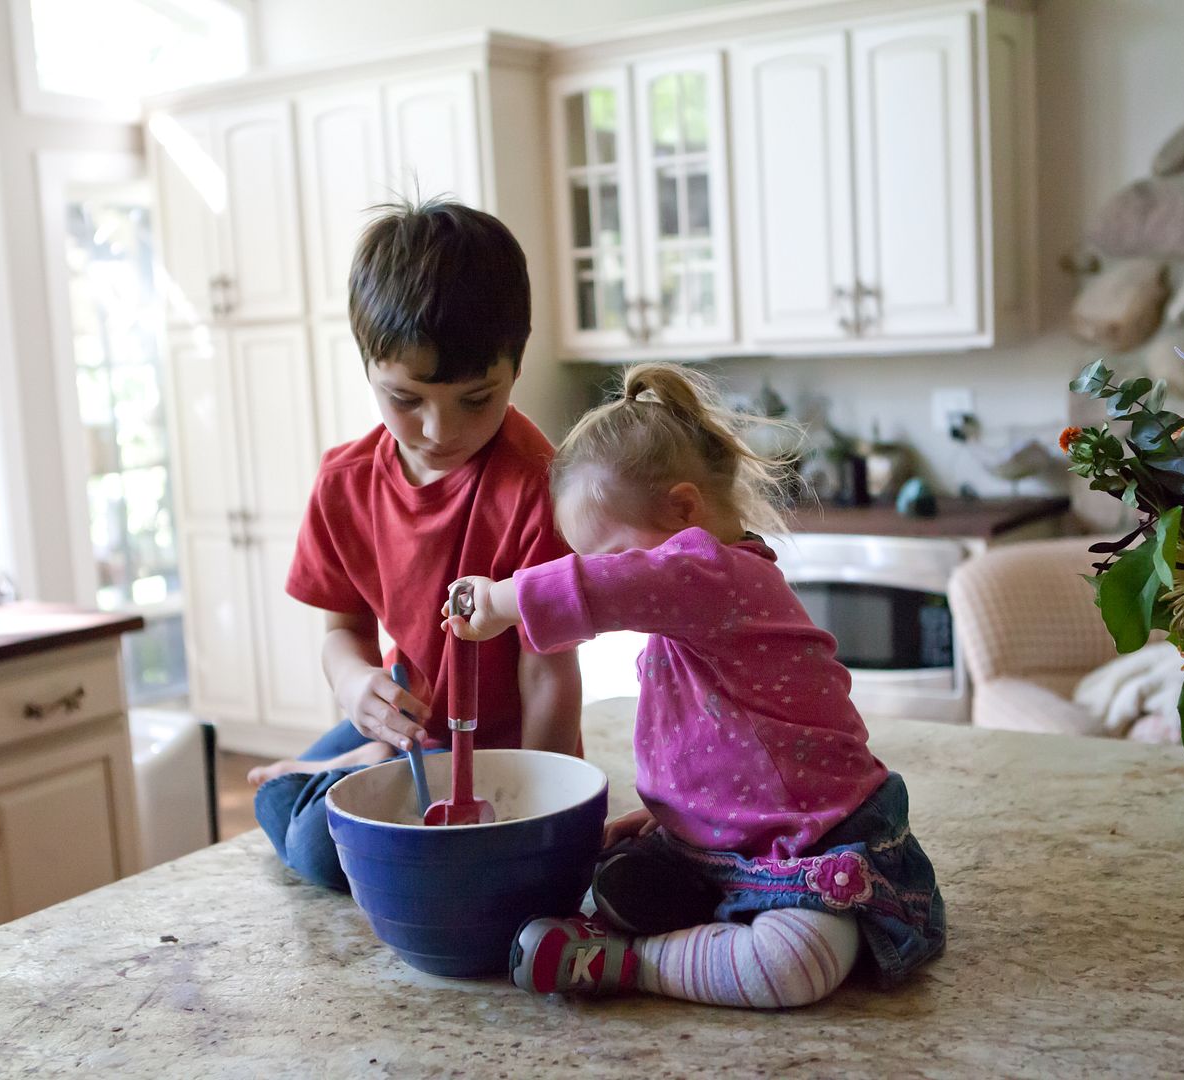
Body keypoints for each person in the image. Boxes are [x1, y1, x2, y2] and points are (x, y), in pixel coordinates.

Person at [442, 363, 945, 1008]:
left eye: (613, 555)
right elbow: (712, 746)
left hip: (812, 841)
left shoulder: (717, 574)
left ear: (684, 512)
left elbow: (611, 588)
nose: (609, 574)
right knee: (608, 874)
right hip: (724, 838)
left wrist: (502, 597)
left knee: (794, 966)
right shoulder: (689, 610)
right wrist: (670, 818)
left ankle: (631, 963)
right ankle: (656, 903)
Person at [253, 198, 582, 890]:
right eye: (406, 399)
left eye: (475, 399)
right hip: (411, 723)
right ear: (369, 368)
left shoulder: (535, 487)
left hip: (499, 750)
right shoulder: (345, 482)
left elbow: (547, 674)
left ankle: (333, 770)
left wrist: (539, 818)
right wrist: (353, 684)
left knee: (314, 848)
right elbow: (341, 629)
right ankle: (352, 757)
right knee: (298, 824)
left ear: (515, 367)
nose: (438, 429)